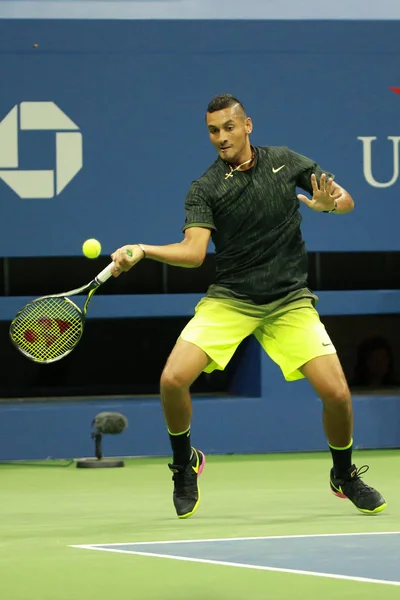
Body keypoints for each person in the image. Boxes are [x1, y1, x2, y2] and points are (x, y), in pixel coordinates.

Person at [111, 94, 387, 519]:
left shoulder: (285, 161)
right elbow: (194, 252)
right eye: (213, 130)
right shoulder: (205, 188)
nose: (221, 137)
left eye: (228, 127)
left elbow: (344, 198)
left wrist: (332, 205)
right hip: (232, 299)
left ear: (247, 126)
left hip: (288, 300)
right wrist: (144, 250)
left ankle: (344, 474)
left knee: (337, 394)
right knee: (172, 379)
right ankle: (185, 463)